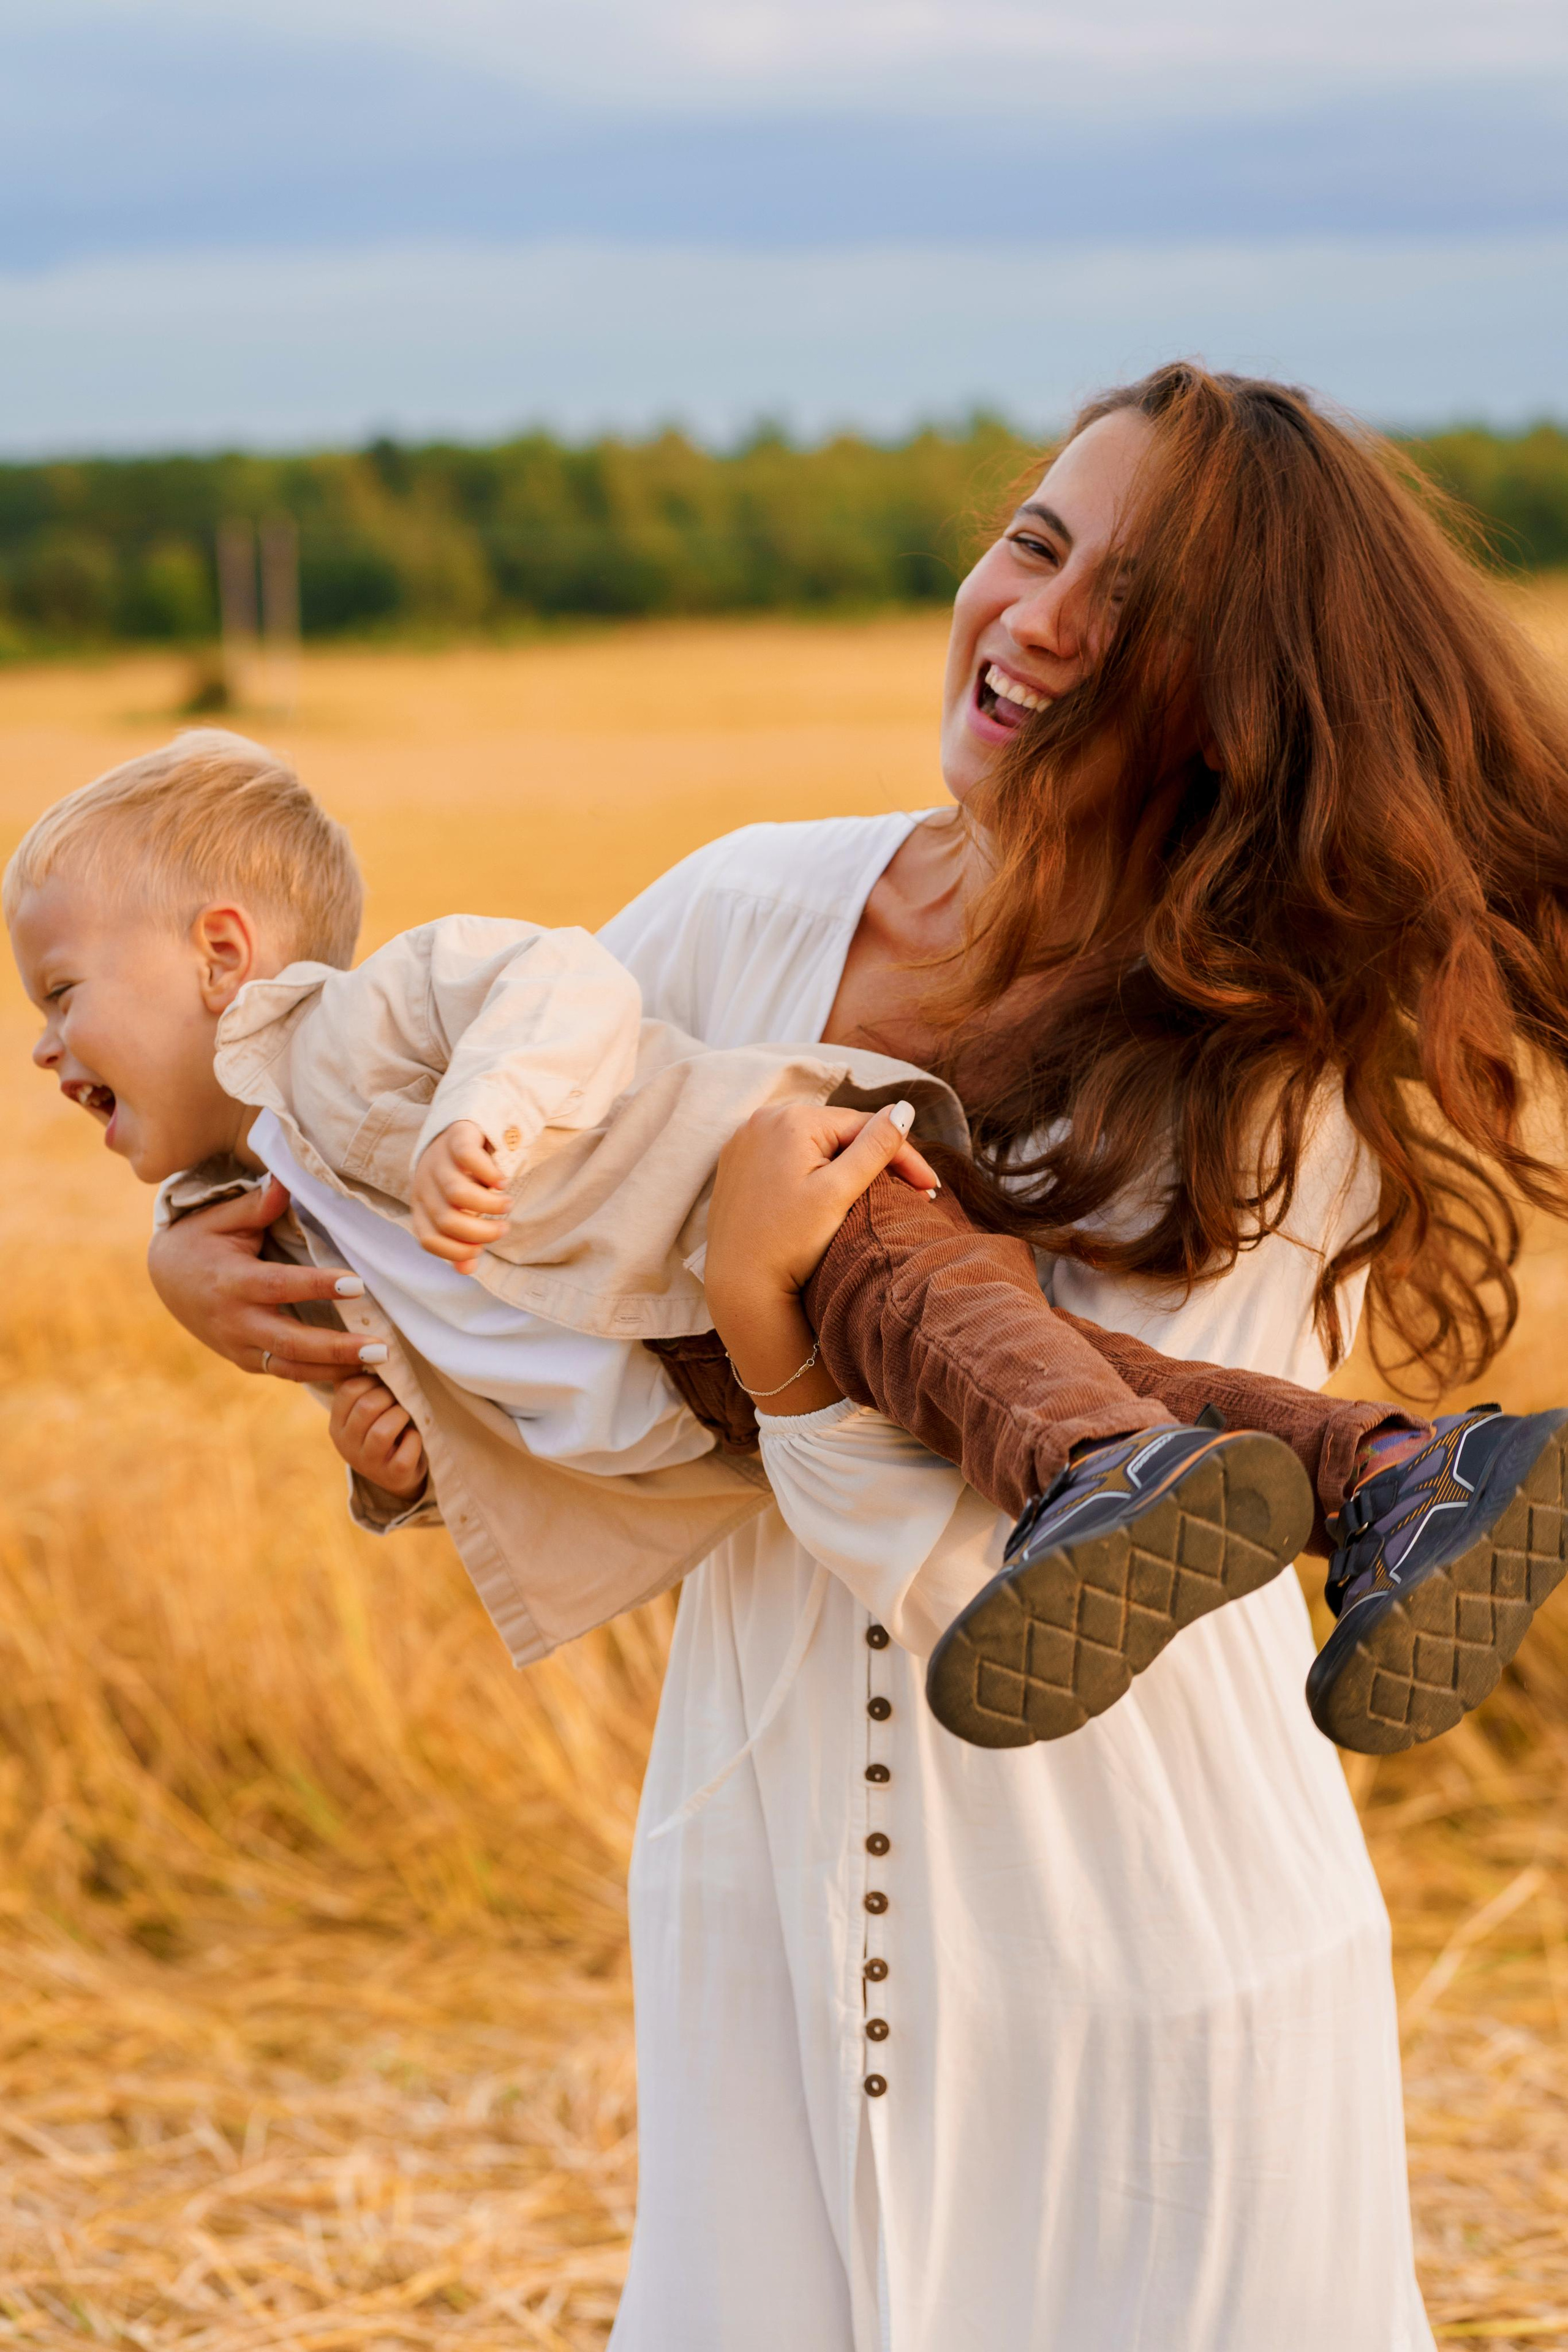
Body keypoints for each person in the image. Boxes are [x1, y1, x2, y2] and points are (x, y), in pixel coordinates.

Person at [139, 364, 1568, 2349]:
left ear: (1245, 700)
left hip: (1141, 1945)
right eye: (1034, 543)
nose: (1042, 618)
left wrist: (770, 1337)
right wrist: (235, 1278)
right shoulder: (743, 910)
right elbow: (472, 1238)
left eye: (1134, 604)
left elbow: (1023, 1565)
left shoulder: (1273, 1052)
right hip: (765, 1931)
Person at [9, 736, 1561, 1757]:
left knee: (1032, 1381)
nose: (43, 1049)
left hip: (781, 1191)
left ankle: (1099, 1478)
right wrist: (391, 1471)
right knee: (1094, 1369)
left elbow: (567, 985)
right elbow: (463, 1366)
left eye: (63, 993)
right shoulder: (262, 1211)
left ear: (222, 954)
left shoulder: (387, 1015)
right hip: (712, 1363)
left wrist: (484, 1114)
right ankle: (1400, 1482)